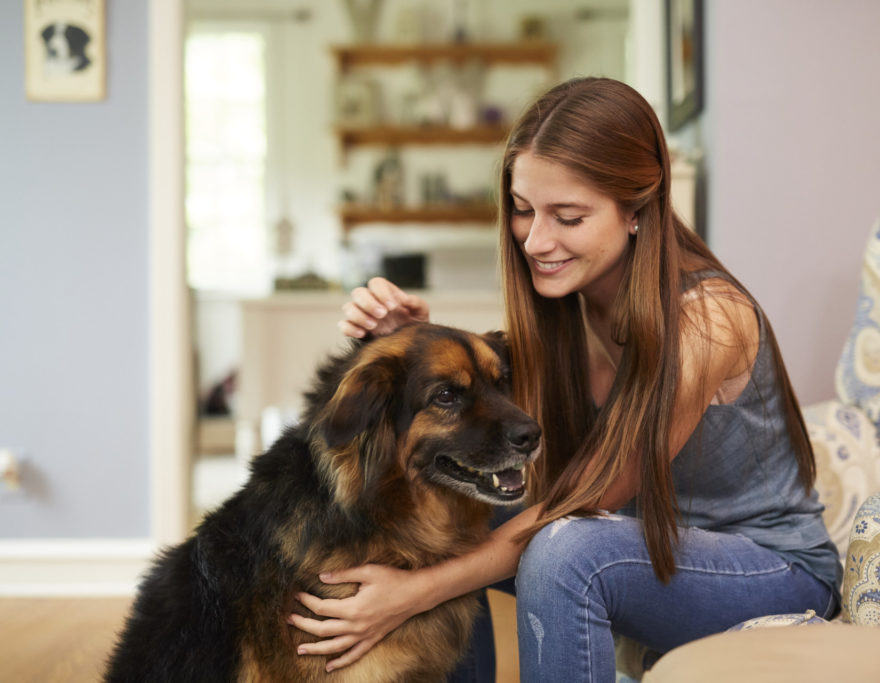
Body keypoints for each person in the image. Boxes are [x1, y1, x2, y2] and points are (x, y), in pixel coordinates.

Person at [288, 77, 841, 681]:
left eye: (568, 217)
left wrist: (410, 592)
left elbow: (582, 505)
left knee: (566, 552)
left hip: (770, 571)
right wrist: (412, 343)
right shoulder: (564, 311)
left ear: (636, 210)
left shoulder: (707, 321)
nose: (537, 240)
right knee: (445, 497)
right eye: (523, 210)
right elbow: (471, 410)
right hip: (638, 546)